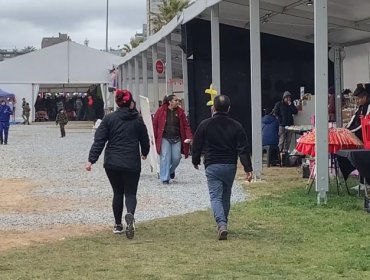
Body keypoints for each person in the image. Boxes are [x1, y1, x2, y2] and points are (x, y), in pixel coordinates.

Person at [85, 89, 150, 238]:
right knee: (131, 193)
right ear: (131, 102)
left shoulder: (109, 119)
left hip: (112, 162)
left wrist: (91, 160)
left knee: (117, 192)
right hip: (131, 161)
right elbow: (144, 140)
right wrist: (144, 153)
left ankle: (118, 224)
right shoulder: (138, 120)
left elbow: (99, 140)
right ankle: (130, 215)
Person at [192, 95, 253, 240]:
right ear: (229, 109)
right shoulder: (236, 126)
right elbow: (243, 149)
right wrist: (247, 168)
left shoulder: (205, 124)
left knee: (215, 197)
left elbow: (197, 144)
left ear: (213, 108)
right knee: (226, 196)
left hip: (212, 165)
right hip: (230, 165)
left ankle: (221, 223)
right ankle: (223, 223)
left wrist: (195, 160)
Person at [153, 94, 193, 184]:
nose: (178, 102)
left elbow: (186, 126)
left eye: (178, 100)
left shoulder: (180, 112)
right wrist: (154, 137)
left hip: (177, 138)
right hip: (165, 138)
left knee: (177, 158)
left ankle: (170, 171)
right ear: (170, 102)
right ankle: (165, 179)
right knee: (165, 157)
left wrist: (190, 137)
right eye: (175, 100)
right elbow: (155, 124)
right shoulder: (161, 111)